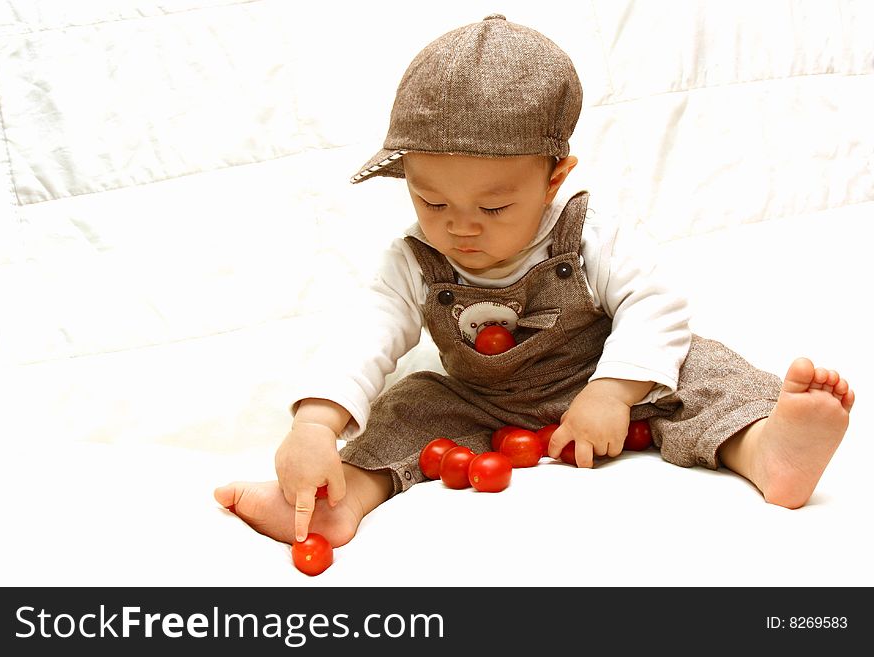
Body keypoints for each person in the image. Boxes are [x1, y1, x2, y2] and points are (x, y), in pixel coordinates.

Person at [214, 14, 854, 547]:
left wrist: (613, 391)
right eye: (431, 202)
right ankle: (340, 500)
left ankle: (765, 447)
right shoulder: (413, 260)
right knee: (408, 405)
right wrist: (315, 426)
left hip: (609, 379)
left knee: (701, 368)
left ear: (554, 178)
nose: (460, 229)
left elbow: (655, 301)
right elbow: (366, 333)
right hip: (483, 401)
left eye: (492, 209)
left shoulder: (588, 232)